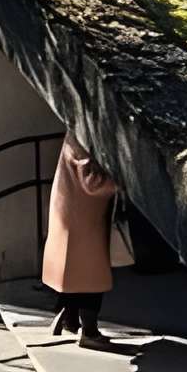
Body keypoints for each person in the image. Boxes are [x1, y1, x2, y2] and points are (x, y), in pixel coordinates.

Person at [41, 132, 119, 346]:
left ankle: (67, 319)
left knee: (74, 276)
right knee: (92, 280)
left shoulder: (76, 135)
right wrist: (120, 183)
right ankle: (89, 332)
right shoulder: (83, 139)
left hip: (73, 216)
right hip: (84, 221)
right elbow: (93, 182)